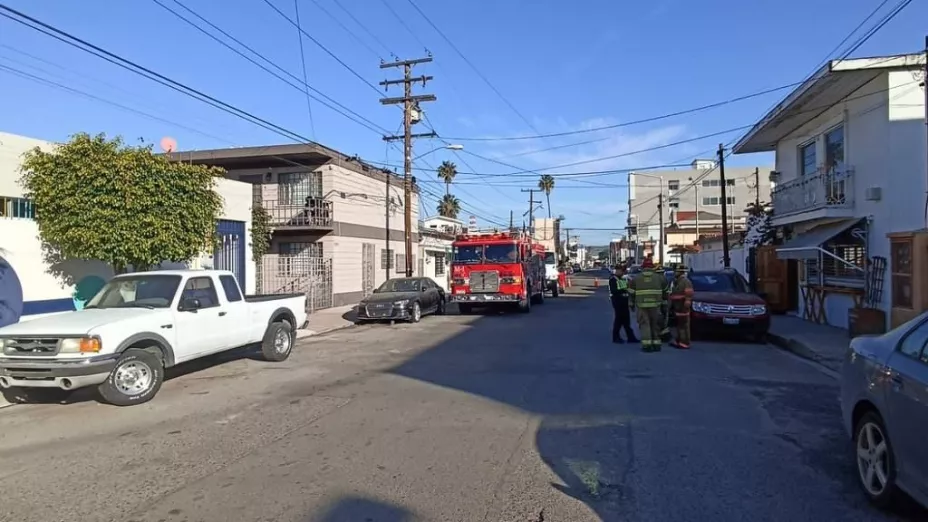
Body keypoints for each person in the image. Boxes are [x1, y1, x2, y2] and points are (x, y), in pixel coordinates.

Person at [627, 257, 665, 352]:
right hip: (656, 306)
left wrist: (631, 304)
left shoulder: (636, 278)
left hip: (641, 305)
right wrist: (664, 304)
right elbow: (666, 292)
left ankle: (647, 346)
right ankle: (656, 345)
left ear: (643, 267)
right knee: (655, 324)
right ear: (652, 267)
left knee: (645, 324)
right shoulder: (659, 278)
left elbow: (631, 292)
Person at [608, 264, 638, 344]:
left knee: (626, 320)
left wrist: (628, 289)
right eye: (621, 271)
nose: (623, 272)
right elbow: (614, 290)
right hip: (618, 301)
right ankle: (616, 337)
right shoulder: (613, 279)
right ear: (617, 270)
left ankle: (631, 337)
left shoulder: (621, 278)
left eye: (623, 271)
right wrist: (624, 289)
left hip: (624, 301)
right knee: (619, 320)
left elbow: (625, 288)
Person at [669, 264, 694, 349]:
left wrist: (687, 302)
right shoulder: (678, 281)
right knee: (680, 325)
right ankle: (679, 341)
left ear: (680, 272)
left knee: (684, 325)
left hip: (683, 306)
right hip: (678, 306)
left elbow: (689, 293)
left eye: (676, 271)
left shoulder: (685, 281)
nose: (674, 273)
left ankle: (684, 343)